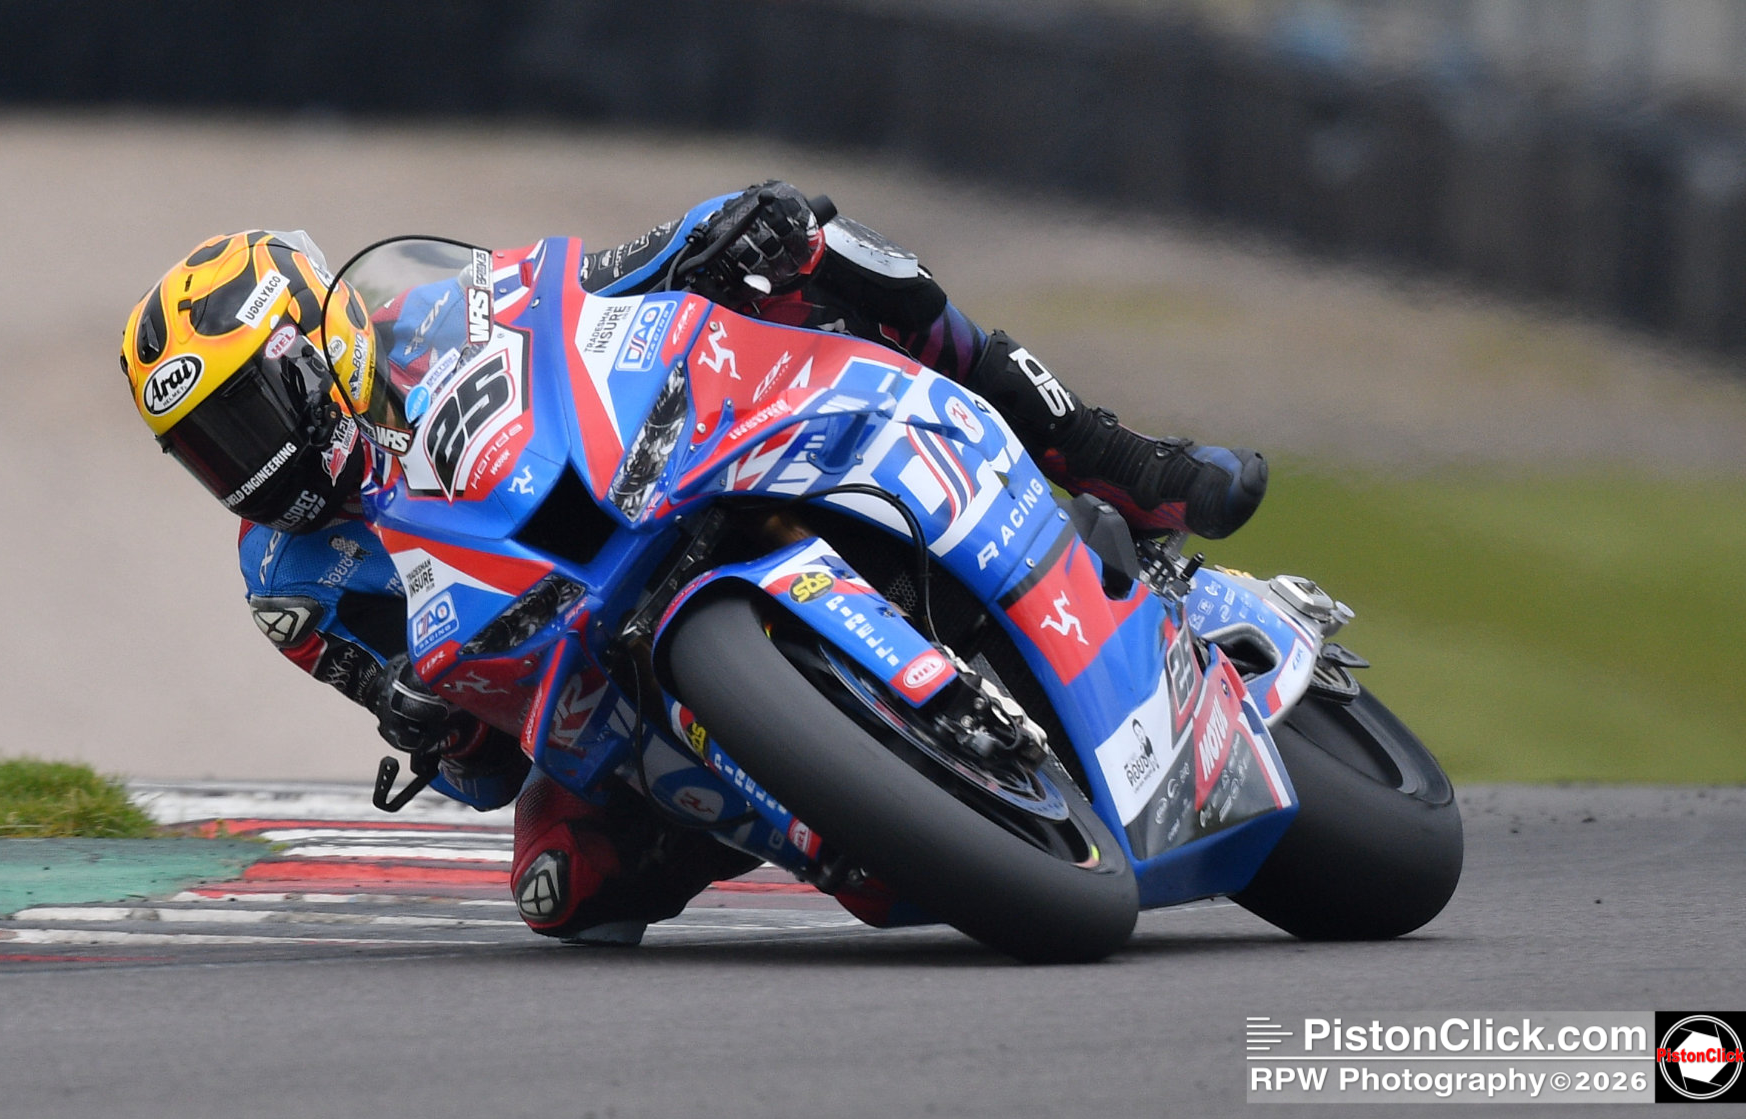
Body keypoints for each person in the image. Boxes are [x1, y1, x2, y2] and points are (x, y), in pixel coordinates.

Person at [118, 186, 1267, 945]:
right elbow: (463, 765)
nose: (248, 464)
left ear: (304, 354)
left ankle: (1111, 456)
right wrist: (425, 721)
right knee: (557, 893)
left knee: (815, 244)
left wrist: (714, 232)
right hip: (570, 657)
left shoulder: (427, 312)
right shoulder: (285, 580)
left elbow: (589, 282)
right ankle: (826, 810)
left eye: (249, 415)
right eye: (209, 450)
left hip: (666, 468)